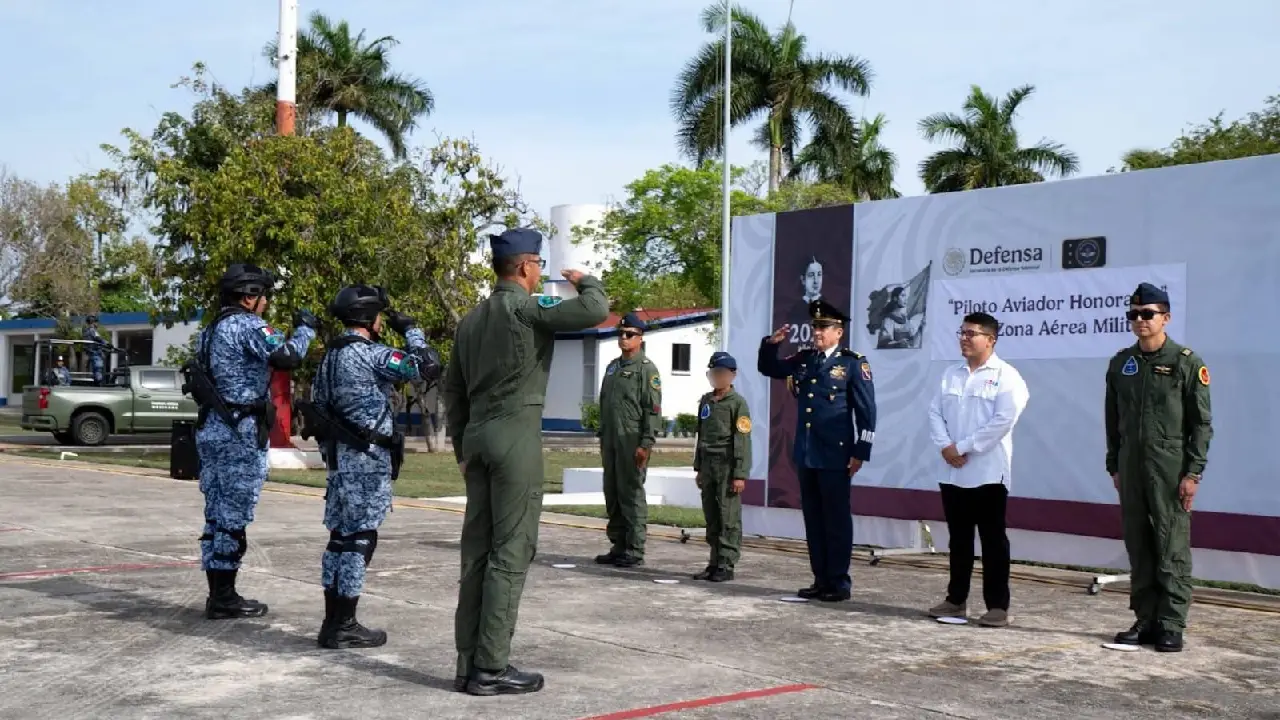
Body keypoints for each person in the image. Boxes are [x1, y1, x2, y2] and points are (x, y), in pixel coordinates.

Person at [444, 228, 609, 696]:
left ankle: (467, 664)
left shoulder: (471, 320)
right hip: (514, 435)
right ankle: (491, 667)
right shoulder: (527, 308)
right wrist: (586, 280)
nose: (539, 273)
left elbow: (453, 390)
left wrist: (461, 449)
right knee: (511, 550)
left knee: (477, 554)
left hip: (477, 439)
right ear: (524, 266)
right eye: (538, 265)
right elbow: (596, 309)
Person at [310, 285, 442, 649]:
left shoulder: (330, 357)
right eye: (380, 316)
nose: (383, 321)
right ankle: (345, 624)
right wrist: (411, 330)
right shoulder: (372, 355)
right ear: (369, 318)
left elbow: (318, 404)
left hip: (339, 459)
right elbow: (428, 367)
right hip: (366, 460)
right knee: (360, 538)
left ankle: (332, 621)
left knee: (339, 538)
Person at [187, 263, 318, 620]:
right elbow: (287, 357)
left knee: (216, 515)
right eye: (263, 296)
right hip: (239, 432)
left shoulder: (209, 331)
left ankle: (218, 593)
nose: (266, 303)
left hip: (213, 428)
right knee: (233, 516)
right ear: (248, 297)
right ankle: (224, 598)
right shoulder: (248, 326)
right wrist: (306, 329)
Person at [1105, 282, 1212, 653]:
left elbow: (1201, 423)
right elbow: (1113, 419)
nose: (1140, 320)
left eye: (1148, 314)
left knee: (1171, 545)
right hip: (1131, 466)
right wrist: (1114, 464)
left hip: (1170, 468)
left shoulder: (1186, 362)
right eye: (1134, 314)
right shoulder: (1122, 364)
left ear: (1165, 317)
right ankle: (1145, 619)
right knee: (1138, 544)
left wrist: (1193, 472)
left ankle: (1171, 623)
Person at [757, 298, 876, 602]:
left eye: (824, 328)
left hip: (836, 454)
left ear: (839, 332)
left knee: (836, 520)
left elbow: (866, 410)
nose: (818, 333)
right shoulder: (806, 358)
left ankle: (838, 582)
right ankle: (820, 579)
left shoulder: (852, 363)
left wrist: (861, 450)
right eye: (816, 327)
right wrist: (771, 345)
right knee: (814, 519)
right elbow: (770, 368)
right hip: (807, 452)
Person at [926, 311, 1030, 628]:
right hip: (952, 471)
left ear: (990, 339)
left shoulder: (1006, 376)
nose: (964, 339)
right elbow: (934, 412)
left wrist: (963, 447)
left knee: (992, 540)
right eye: (962, 332)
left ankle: (997, 606)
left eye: (971, 334)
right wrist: (946, 446)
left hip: (988, 473)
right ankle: (955, 600)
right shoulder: (951, 374)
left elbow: (1003, 421)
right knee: (959, 540)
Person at [594, 312, 662, 568]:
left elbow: (652, 410)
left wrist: (646, 443)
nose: (623, 338)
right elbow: (605, 402)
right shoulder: (613, 367)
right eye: (621, 334)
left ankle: (634, 548)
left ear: (640, 338)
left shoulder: (646, 369)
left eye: (629, 334)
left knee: (631, 492)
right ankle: (618, 544)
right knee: (612, 491)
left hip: (632, 439)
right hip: (611, 438)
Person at [692, 351, 752, 582]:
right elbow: (701, 435)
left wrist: (740, 474)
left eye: (721, 373)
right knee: (712, 515)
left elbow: (742, 440)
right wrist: (698, 467)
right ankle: (714, 562)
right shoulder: (706, 401)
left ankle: (726, 564)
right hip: (708, 464)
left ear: (732, 375)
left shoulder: (737, 403)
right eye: (713, 373)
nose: (717, 378)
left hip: (727, 465)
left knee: (728, 516)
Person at [82, 315, 107, 385]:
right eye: (97, 322)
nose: (98, 324)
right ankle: (99, 384)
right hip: (95, 353)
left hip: (90, 354)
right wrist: (107, 343)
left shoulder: (85, 332)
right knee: (98, 371)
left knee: (94, 372)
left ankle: (95, 383)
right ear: (93, 322)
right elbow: (98, 338)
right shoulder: (92, 330)